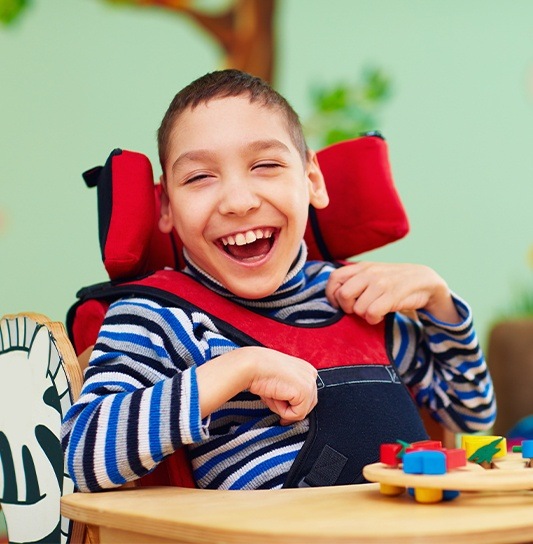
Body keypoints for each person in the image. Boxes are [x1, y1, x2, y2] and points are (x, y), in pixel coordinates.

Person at [61, 69, 495, 492]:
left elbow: (471, 416)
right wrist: (236, 369)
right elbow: (78, 456)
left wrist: (440, 302)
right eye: (199, 177)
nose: (238, 201)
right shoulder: (159, 315)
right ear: (166, 208)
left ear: (312, 180)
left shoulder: (357, 298)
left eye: (265, 165)